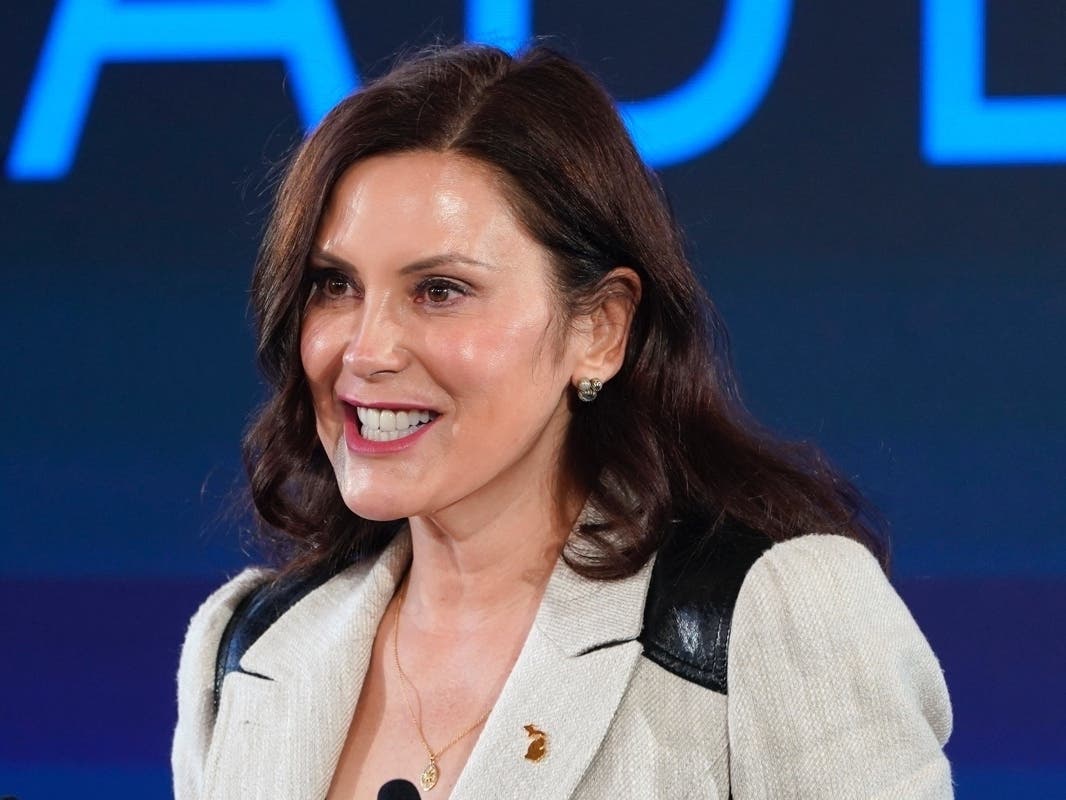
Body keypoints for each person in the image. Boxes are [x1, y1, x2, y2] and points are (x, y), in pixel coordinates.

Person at [172, 43, 953, 799]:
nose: (365, 351)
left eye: (440, 290)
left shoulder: (773, 620)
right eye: (333, 285)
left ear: (601, 329)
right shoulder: (248, 647)